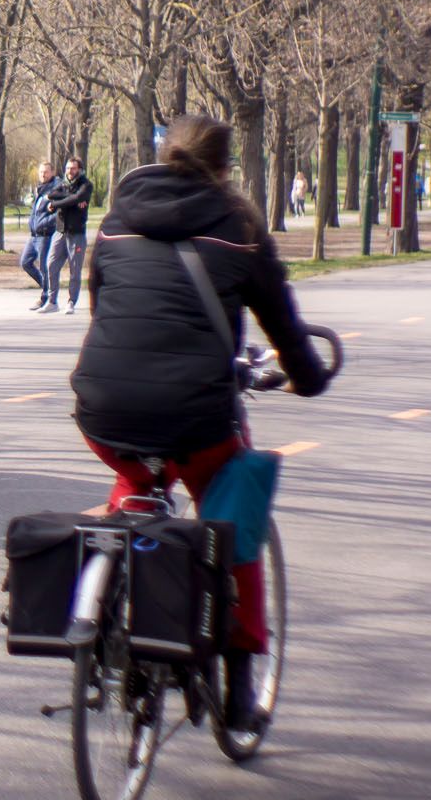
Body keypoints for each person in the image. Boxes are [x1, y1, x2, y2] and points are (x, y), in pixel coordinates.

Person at [68, 112, 332, 730]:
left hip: (103, 404)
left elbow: (102, 307)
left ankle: (103, 610)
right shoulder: (240, 229)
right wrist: (309, 378)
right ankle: (239, 691)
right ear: (224, 167)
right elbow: (286, 332)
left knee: (136, 482)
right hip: (197, 416)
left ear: (164, 157)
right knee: (233, 514)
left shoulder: (115, 220)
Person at [43, 156, 94, 314]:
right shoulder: (63, 183)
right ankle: (52, 301)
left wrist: (56, 204)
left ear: (79, 169)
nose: (69, 171)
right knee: (51, 264)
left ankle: (71, 301)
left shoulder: (86, 185)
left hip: (76, 233)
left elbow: (78, 197)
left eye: (73, 168)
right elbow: (50, 194)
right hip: (60, 231)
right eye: (67, 168)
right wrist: (70, 199)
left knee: (75, 269)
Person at [21, 160, 58, 310]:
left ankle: (46, 298)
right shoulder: (40, 189)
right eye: (41, 172)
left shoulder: (55, 189)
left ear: (52, 173)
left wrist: (45, 222)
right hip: (33, 235)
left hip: (45, 235)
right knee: (25, 262)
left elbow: (59, 213)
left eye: (46, 172)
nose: (43, 174)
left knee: (44, 267)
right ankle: (48, 289)